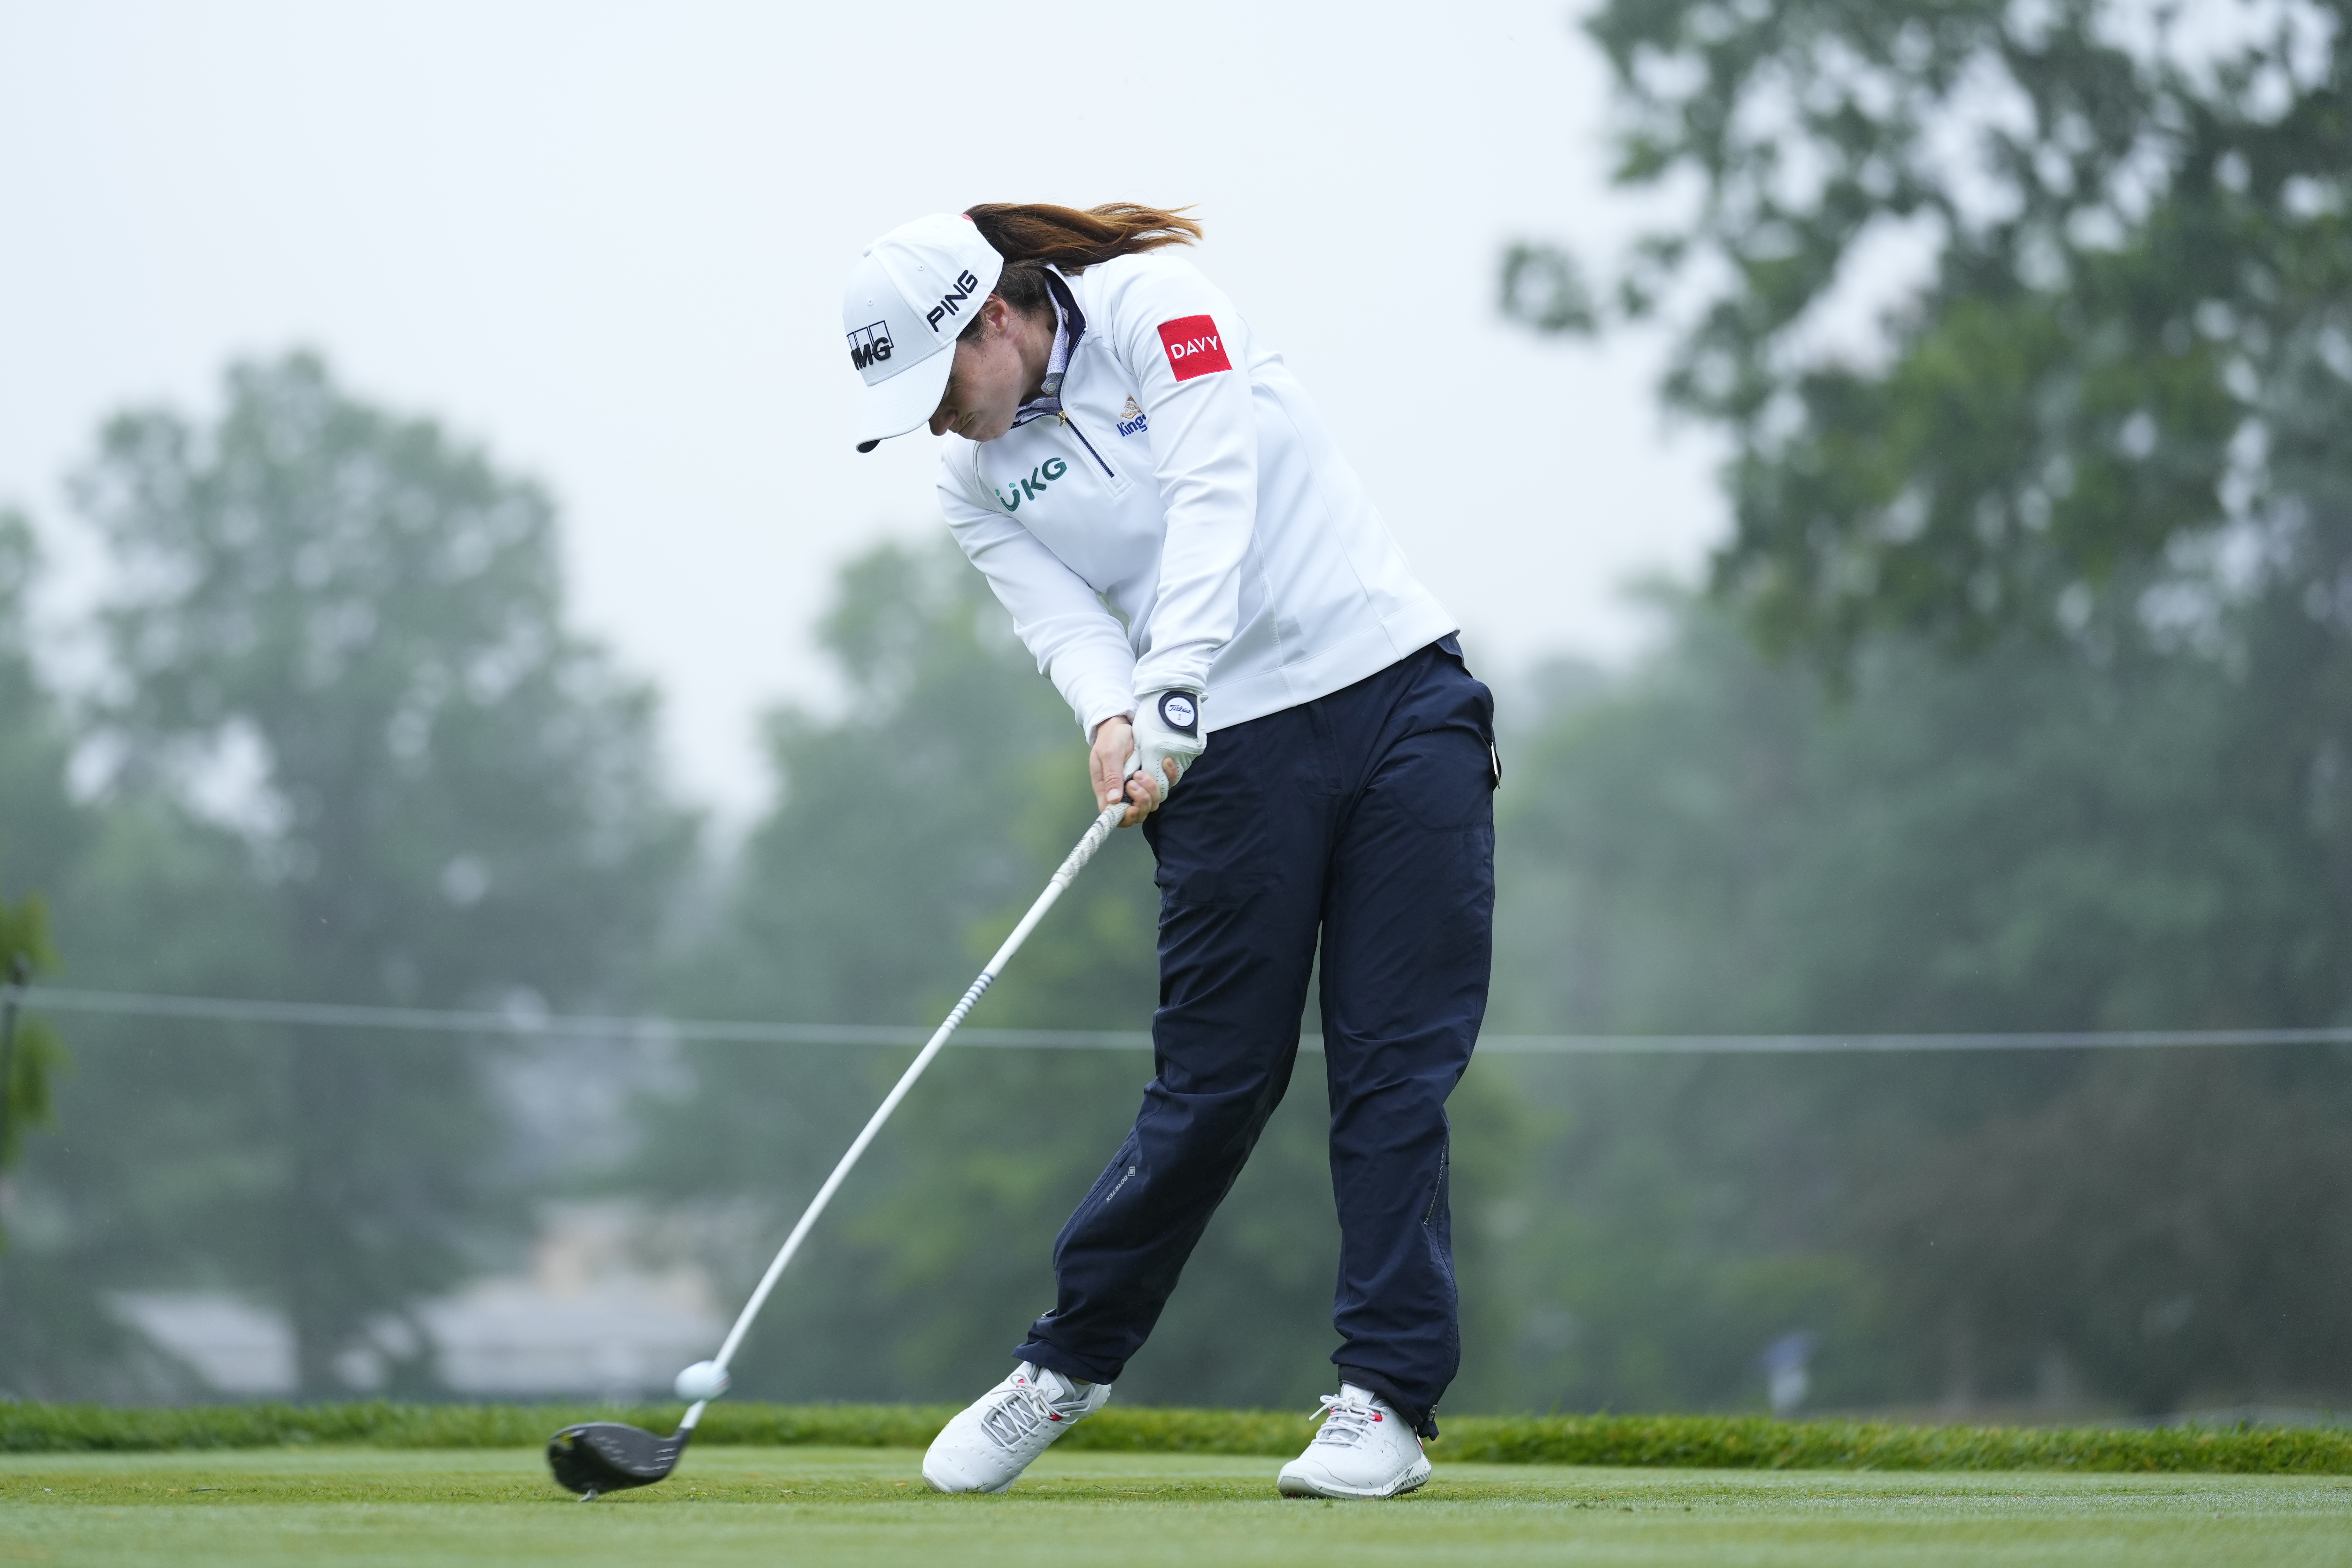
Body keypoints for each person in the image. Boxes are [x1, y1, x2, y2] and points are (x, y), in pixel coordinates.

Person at [840, 204, 1497, 1500]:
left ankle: (1382, 1402)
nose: (936, 419)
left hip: (1394, 701)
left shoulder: (1158, 302)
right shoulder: (970, 477)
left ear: (994, 319)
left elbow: (1216, 484)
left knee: (1390, 1075)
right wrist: (1110, 715)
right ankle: (1066, 1363)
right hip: (1222, 761)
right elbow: (1066, 625)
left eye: (939, 383)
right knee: (1207, 1090)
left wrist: (1173, 679)